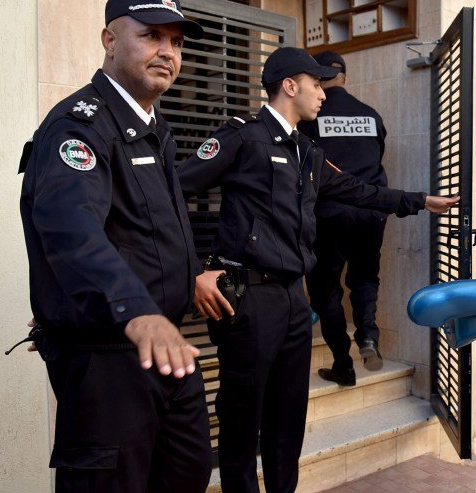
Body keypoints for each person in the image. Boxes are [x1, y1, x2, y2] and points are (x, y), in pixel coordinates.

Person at [178, 46, 458, 493]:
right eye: (317, 84)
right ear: (290, 86)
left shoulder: (307, 149)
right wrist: (193, 271)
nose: (324, 94)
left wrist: (420, 201)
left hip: (292, 300)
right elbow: (175, 192)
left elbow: (357, 190)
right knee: (242, 418)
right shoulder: (242, 137)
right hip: (249, 299)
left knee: (288, 418)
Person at [18, 0, 212, 492]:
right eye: (151, 36)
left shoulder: (153, 126)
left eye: (176, 41)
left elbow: (146, 226)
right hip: (110, 358)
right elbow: (71, 229)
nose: (167, 52)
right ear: (109, 39)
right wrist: (137, 308)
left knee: (187, 473)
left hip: (167, 347)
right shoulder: (79, 126)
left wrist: (188, 275)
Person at [297, 50, 390, 384]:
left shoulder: (310, 117)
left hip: (328, 214)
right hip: (370, 212)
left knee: (325, 290)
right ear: (345, 78)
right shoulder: (371, 115)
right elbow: (376, 156)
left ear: (318, 78)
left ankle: (343, 364)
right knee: (365, 279)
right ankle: (367, 337)